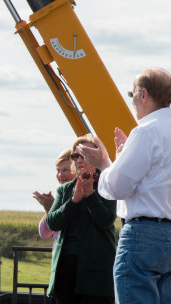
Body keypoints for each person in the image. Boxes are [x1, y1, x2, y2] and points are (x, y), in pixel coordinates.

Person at [77, 67, 171, 304]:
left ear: (144, 95)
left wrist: (105, 163)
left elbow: (117, 188)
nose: (133, 101)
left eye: (132, 94)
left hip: (143, 235)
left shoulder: (145, 133)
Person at [46, 134, 116, 304]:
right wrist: (73, 201)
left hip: (96, 274)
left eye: (84, 155)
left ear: (96, 157)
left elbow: (106, 220)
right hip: (66, 269)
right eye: (75, 155)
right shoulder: (65, 190)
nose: (78, 159)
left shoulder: (107, 185)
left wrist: (90, 194)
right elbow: (52, 222)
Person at [33, 149, 75, 249]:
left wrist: (53, 208)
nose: (60, 175)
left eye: (65, 170)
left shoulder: (80, 197)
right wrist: (49, 209)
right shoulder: (60, 198)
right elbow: (44, 233)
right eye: (58, 170)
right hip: (58, 257)